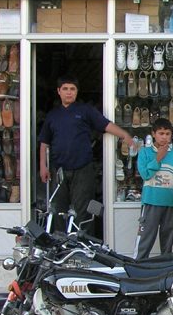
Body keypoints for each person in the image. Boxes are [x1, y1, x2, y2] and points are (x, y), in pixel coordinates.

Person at [38, 76, 135, 233]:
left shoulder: (85, 110)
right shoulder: (53, 116)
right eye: (65, 89)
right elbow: (44, 143)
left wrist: (125, 135)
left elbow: (106, 125)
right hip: (59, 169)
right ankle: (61, 247)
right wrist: (43, 166)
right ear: (58, 91)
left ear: (77, 92)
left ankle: (83, 246)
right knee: (58, 210)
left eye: (72, 89)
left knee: (83, 210)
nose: (69, 92)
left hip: (82, 169)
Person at [134, 118, 173, 259]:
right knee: (146, 237)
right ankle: (138, 265)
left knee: (167, 237)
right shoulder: (145, 153)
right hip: (151, 202)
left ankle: (165, 266)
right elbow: (145, 174)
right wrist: (158, 157)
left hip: (169, 202)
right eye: (161, 133)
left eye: (168, 134)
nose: (164, 137)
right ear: (153, 134)